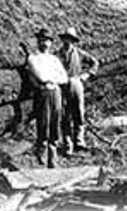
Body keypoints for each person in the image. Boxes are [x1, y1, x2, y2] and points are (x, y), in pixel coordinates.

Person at [27, 28, 68, 168]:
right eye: (42, 40)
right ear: (38, 41)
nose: (45, 43)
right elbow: (41, 77)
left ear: (51, 43)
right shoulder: (33, 58)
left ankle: (53, 156)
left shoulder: (54, 59)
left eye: (47, 40)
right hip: (43, 92)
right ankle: (41, 152)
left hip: (55, 92)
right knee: (43, 121)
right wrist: (51, 79)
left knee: (55, 121)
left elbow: (64, 77)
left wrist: (52, 80)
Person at [56, 27, 99, 154]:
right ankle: (68, 144)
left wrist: (86, 75)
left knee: (79, 113)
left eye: (70, 39)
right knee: (65, 115)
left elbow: (94, 63)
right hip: (62, 85)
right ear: (63, 39)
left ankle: (79, 141)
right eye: (65, 38)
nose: (67, 41)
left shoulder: (79, 53)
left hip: (76, 83)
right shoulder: (57, 55)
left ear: (73, 41)